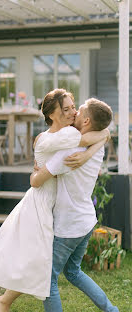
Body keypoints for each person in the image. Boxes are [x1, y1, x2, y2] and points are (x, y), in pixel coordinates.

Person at [0, 89, 109, 312]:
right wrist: (97, 142)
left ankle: (3, 301)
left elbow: (95, 135)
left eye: (74, 108)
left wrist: (86, 152)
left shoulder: (69, 142)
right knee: (35, 264)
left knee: (39, 267)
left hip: (59, 211)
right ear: (53, 114)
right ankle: (3, 301)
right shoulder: (63, 141)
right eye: (67, 109)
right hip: (44, 206)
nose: (73, 113)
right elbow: (97, 135)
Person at [30, 98, 119, 312]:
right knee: (73, 272)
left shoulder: (68, 153)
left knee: (47, 282)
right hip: (86, 220)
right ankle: (111, 310)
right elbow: (103, 134)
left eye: (78, 111)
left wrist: (36, 170)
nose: (74, 113)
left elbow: (36, 181)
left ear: (86, 120)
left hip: (69, 225)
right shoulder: (96, 147)